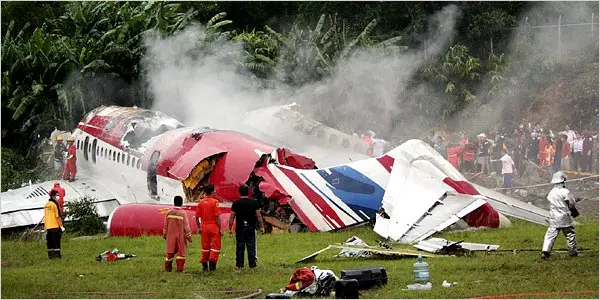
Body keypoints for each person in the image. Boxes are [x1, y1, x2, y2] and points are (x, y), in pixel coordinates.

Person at [541, 171, 579, 259]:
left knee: (550, 235)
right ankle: (572, 252)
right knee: (570, 235)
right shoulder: (565, 191)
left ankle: (545, 251)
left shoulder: (551, 192)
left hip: (554, 217)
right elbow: (572, 204)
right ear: (563, 181)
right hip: (564, 217)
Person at [229, 185, 265, 273]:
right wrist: (262, 227)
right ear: (248, 192)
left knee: (240, 247)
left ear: (239, 192)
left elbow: (232, 217)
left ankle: (239, 266)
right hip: (250, 227)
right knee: (251, 246)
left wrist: (230, 229)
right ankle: (252, 265)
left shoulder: (236, 203)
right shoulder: (254, 202)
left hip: (240, 228)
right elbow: (258, 215)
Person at [195, 184, 222, 272]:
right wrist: (220, 228)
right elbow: (217, 217)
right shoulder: (215, 202)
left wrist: (199, 227)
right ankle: (212, 264)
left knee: (205, 247)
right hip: (213, 226)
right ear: (212, 192)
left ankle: (204, 265)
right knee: (215, 246)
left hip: (204, 227)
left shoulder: (201, 202)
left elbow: (197, 217)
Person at [163, 195, 192, 272]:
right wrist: (189, 237)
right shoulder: (183, 213)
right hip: (180, 237)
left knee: (170, 252)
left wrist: (165, 235)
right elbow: (186, 227)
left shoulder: (168, 212)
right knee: (181, 253)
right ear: (182, 203)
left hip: (170, 236)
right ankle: (180, 269)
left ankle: (168, 268)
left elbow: (165, 225)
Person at [44, 190, 64, 259]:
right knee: (56, 241)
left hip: (48, 226)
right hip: (55, 225)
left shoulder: (46, 204)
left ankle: (50, 255)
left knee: (50, 241)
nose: (57, 197)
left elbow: (46, 216)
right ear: (53, 196)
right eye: (57, 195)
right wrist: (61, 226)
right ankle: (57, 255)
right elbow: (58, 216)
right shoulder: (55, 204)